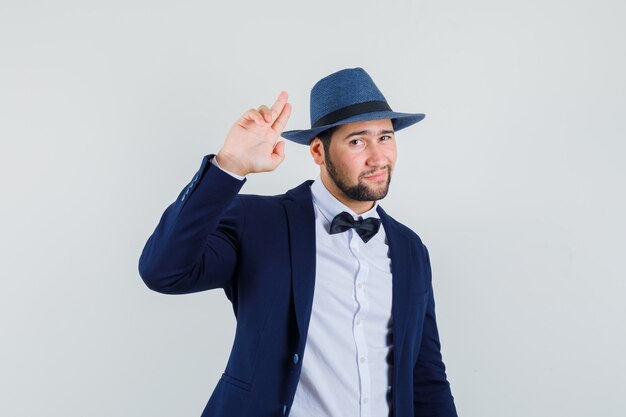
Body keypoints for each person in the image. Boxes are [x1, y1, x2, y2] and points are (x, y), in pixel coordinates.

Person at [138, 67, 458, 417]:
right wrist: (229, 165)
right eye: (357, 141)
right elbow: (163, 271)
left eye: (385, 137)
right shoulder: (259, 222)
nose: (377, 157)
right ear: (318, 152)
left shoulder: (410, 248)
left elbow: (425, 375)